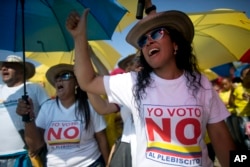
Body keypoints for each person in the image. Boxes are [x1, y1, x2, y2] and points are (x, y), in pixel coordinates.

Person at [66, 3, 236, 167]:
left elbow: (221, 137)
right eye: (142, 41)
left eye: (156, 34)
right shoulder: (133, 82)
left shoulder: (201, 83)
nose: (148, 42)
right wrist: (79, 37)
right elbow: (87, 81)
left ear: (175, 44)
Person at [16, 64, 109, 167]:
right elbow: (35, 146)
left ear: (76, 83)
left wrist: (109, 164)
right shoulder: (47, 107)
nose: (59, 80)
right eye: (57, 78)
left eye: (65, 76)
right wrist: (28, 119)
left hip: (91, 163)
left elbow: (102, 139)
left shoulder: (90, 105)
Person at [0, 55, 49, 167]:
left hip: (25, 155)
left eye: (9, 66)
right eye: (2, 67)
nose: (4, 69)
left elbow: (49, 113)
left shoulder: (34, 88)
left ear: (22, 70)